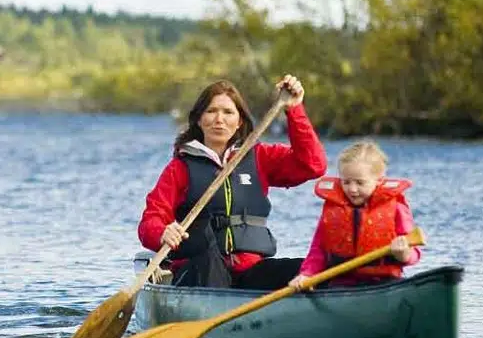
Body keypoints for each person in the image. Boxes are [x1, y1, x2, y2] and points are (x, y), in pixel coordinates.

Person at [138, 75, 327, 290]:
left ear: (240, 122)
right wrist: (163, 232)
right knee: (207, 254)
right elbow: (150, 222)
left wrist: (294, 110)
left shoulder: (259, 157)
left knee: (312, 270)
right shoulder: (180, 168)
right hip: (199, 272)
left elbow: (313, 165)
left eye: (228, 112)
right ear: (199, 119)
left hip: (250, 272)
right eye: (211, 111)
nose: (219, 119)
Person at [290, 140, 420, 289]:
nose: (352, 189)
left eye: (360, 183)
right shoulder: (334, 209)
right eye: (346, 182)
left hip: (384, 282)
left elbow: (414, 253)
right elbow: (318, 250)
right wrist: (307, 274)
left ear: (379, 181)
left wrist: (404, 254)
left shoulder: (396, 208)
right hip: (342, 284)